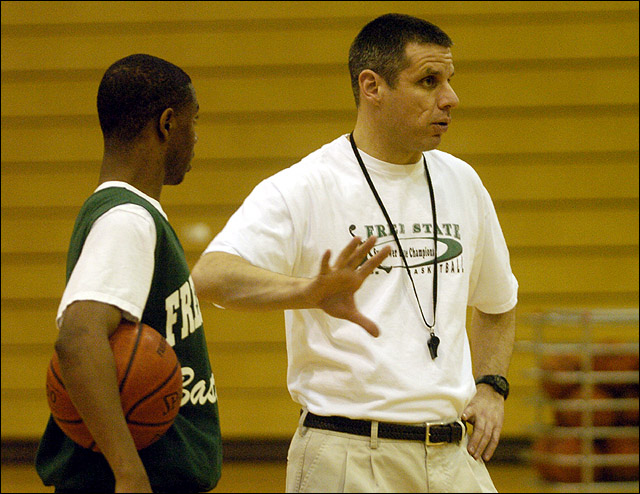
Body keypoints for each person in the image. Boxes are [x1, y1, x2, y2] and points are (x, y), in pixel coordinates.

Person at [192, 13, 517, 493]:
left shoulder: (462, 182)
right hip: (348, 454)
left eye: (449, 80)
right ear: (372, 86)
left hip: (453, 456)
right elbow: (210, 276)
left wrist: (491, 385)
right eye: (429, 81)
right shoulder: (307, 185)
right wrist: (309, 292)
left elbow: (497, 304)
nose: (450, 98)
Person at [35, 54, 222, 493]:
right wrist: (129, 473)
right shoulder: (128, 220)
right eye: (194, 121)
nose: (196, 137)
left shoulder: (125, 214)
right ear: (167, 124)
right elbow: (79, 338)